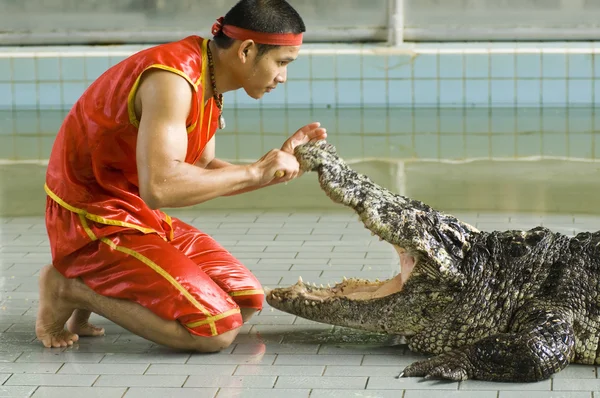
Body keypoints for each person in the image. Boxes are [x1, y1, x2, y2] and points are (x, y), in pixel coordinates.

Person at [36, 0, 327, 352]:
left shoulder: (211, 76)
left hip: (136, 213)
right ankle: (69, 288)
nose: (283, 77)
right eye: (281, 63)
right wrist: (254, 171)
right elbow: (160, 188)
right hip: (91, 217)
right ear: (247, 50)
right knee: (214, 332)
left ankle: (93, 286)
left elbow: (201, 170)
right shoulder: (172, 82)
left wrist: (268, 173)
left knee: (247, 298)